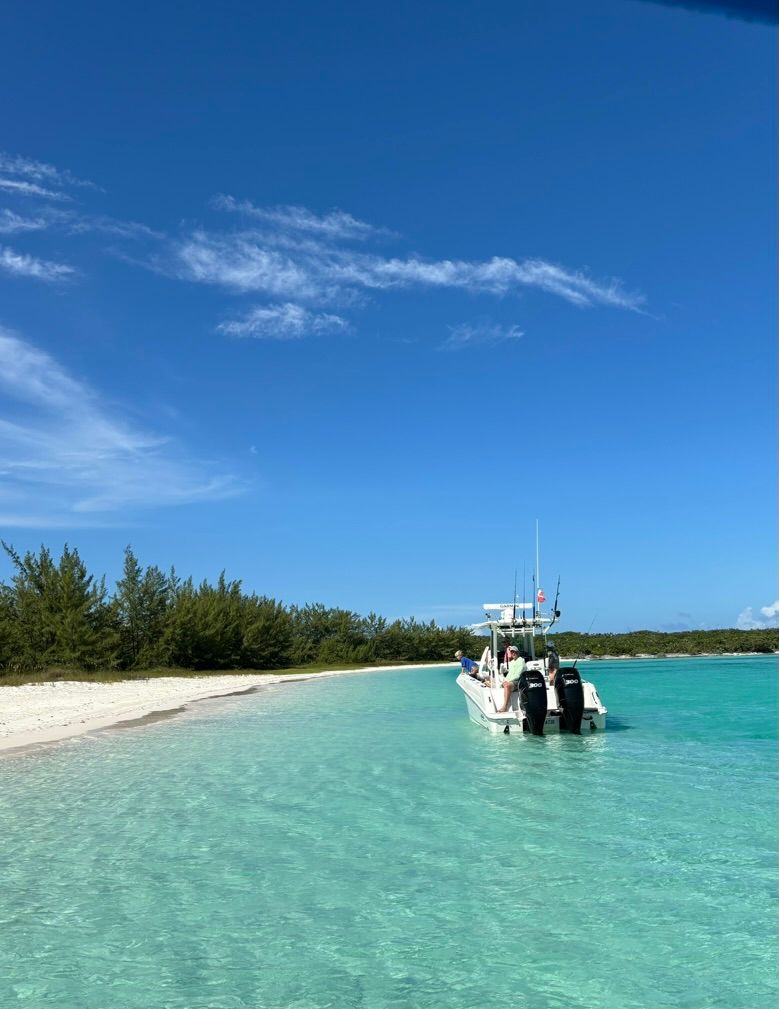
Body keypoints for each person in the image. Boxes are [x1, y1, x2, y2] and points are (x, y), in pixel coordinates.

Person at [497, 645, 527, 712]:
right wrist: (505, 680)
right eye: (512, 652)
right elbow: (509, 674)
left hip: (519, 682)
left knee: (507, 685)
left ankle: (505, 707)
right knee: (496, 683)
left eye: (514, 652)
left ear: (517, 652)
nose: (513, 653)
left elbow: (518, 675)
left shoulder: (521, 661)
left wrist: (507, 682)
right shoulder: (512, 662)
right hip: (512, 681)